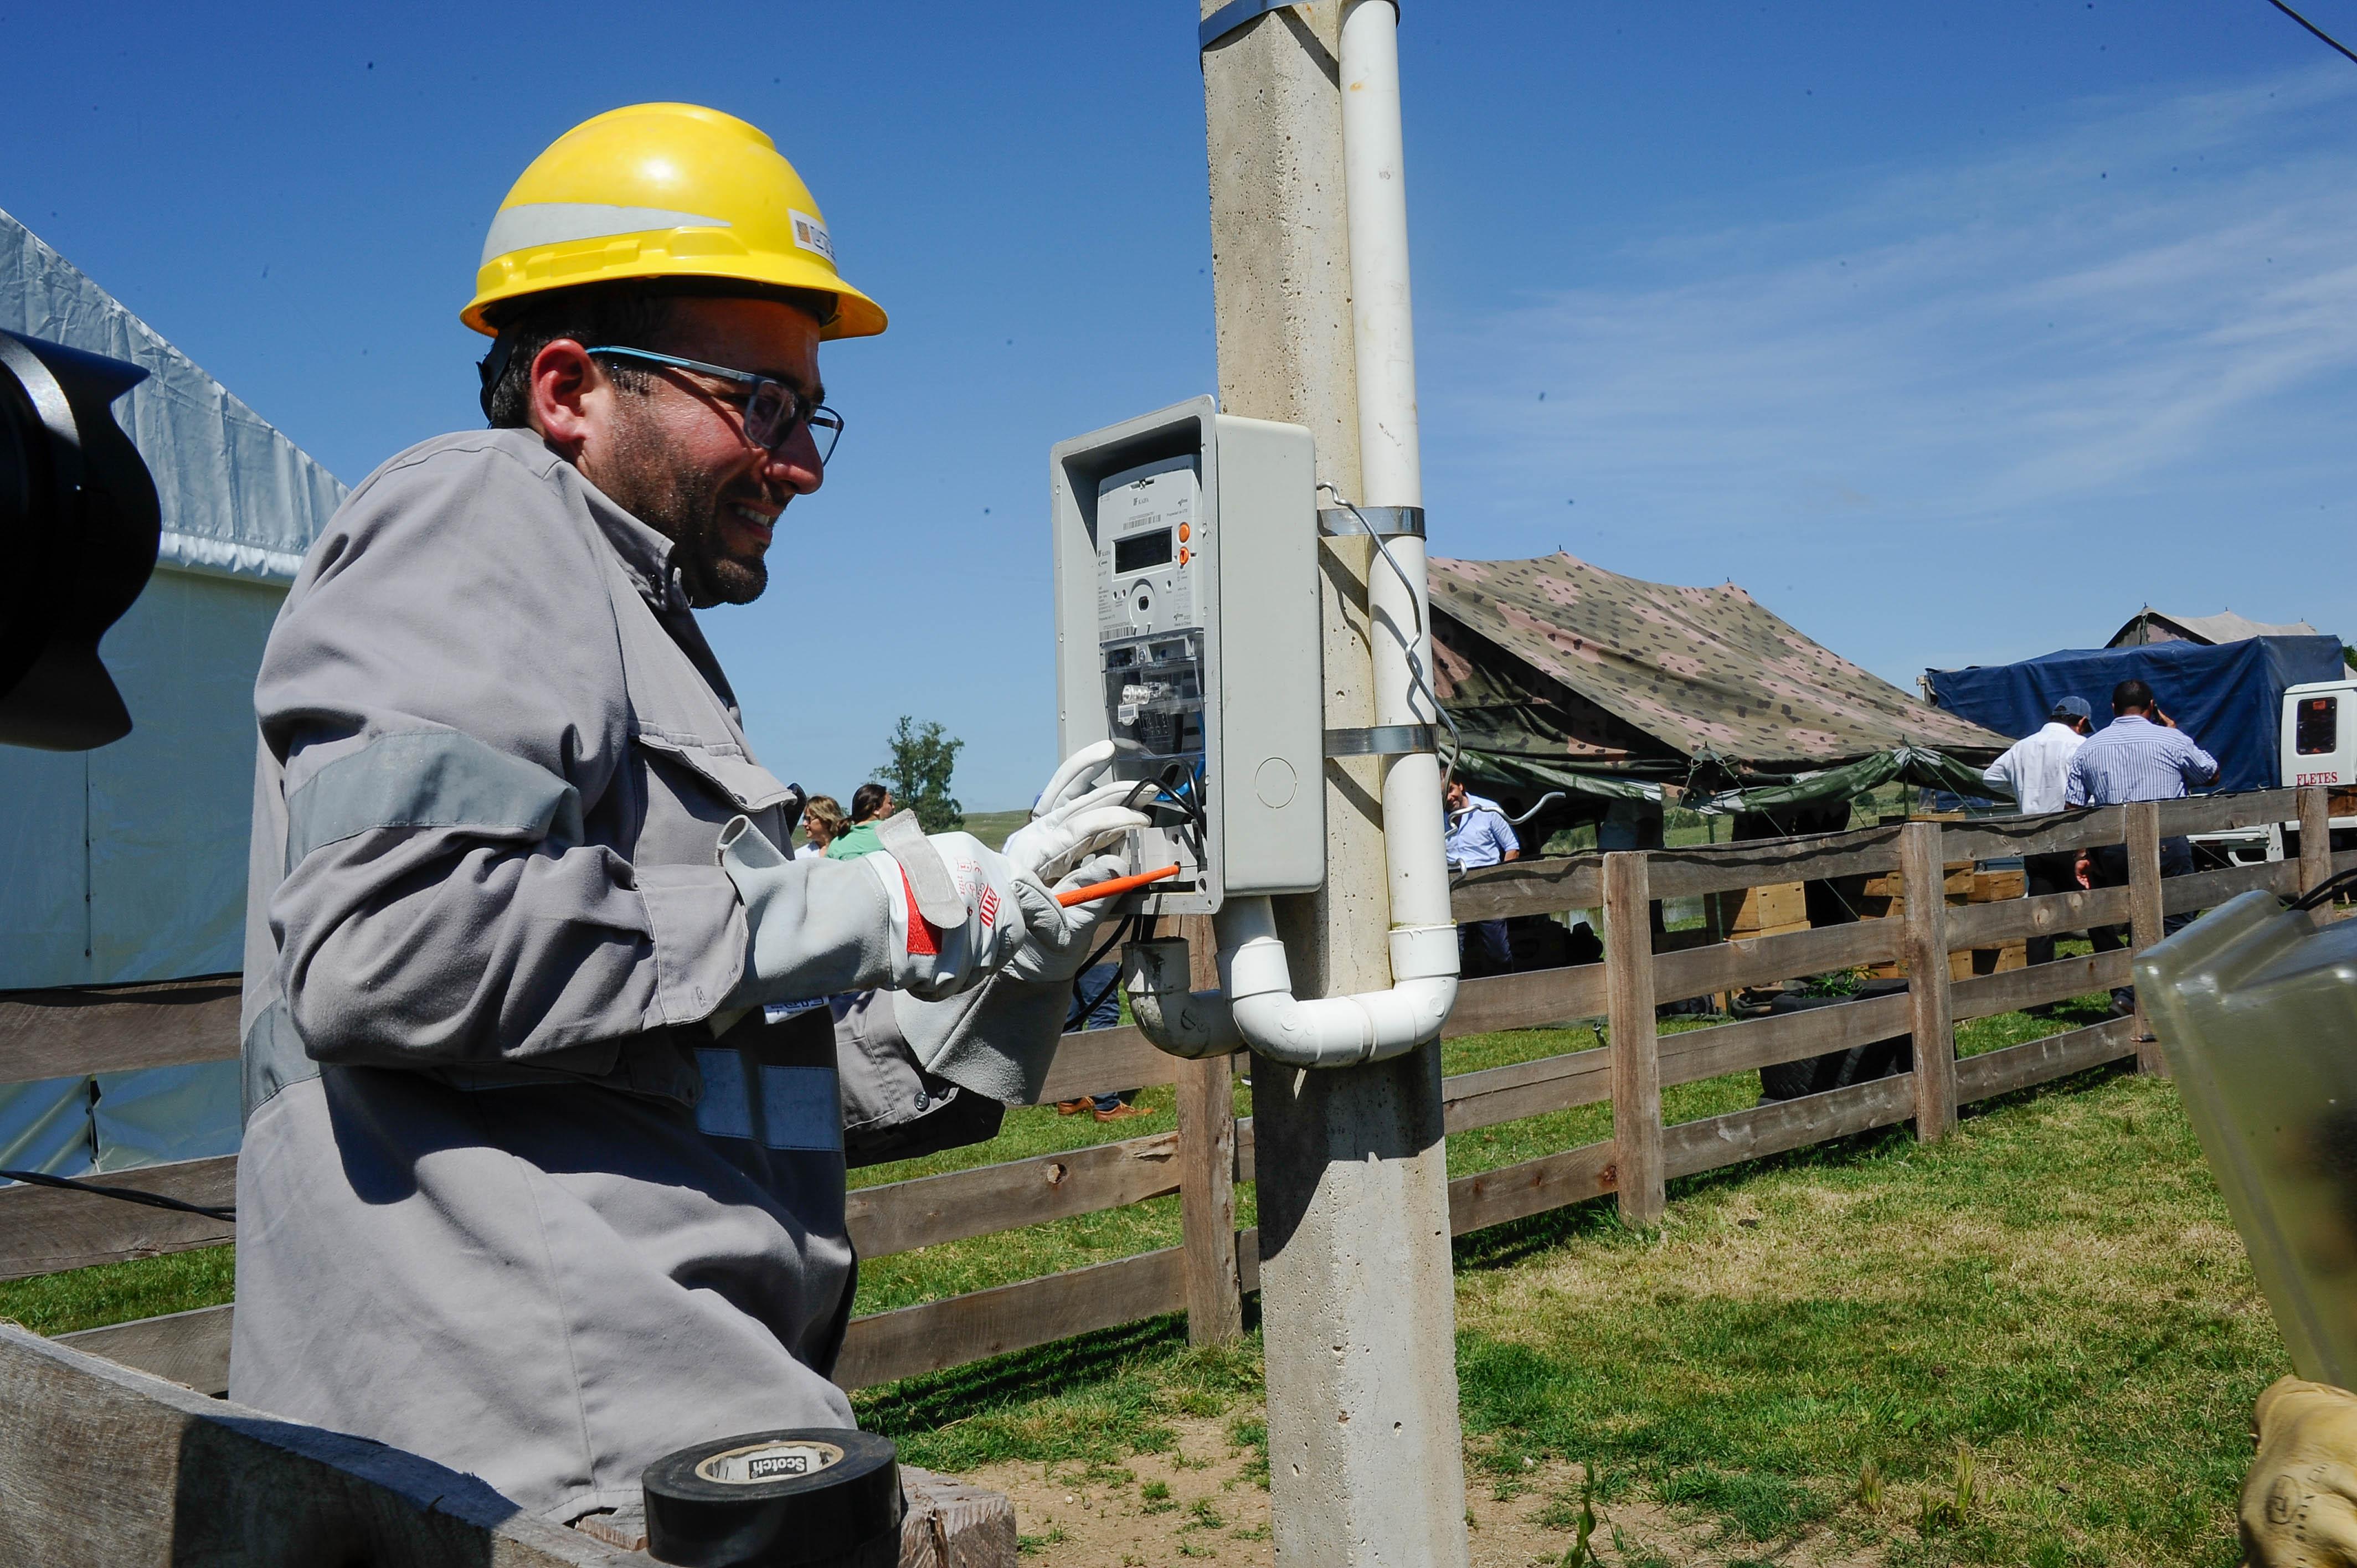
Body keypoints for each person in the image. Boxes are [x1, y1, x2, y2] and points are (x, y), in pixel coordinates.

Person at [229, 103, 1150, 1526]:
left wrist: (1018, 951)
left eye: (808, 410)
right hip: (546, 1460)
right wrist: (869, 902)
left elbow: (727, 1075)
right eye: (760, 403)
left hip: (657, 1440)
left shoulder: (632, 623)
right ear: (567, 387)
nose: (801, 463)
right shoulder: (481, 512)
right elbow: (389, 948)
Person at [2064, 677, 2219, 1013]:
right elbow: (2211, 774)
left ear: (2112, 709)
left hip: (2113, 847)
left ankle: (2128, 992)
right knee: (2178, 917)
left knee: (2126, 918)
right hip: (2167, 839)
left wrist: (2081, 855)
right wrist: (2172, 729)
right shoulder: (2171, 738)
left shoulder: (2088, 748)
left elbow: (2073, 810)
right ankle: (2158, 994)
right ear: (2152, 707)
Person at [1983, 696, 2094, 966]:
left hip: (2035, 842)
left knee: (2042, 915)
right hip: (2072, 839)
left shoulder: (2022, 747)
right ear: (2081, 722)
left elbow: (1991, 777)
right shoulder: (2081, 746)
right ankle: (2115, 981)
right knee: (2097, 910)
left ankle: (2040, 995)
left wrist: (2021, 791)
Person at [1444, 777, 1520, 977]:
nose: (1449, 797)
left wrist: (1501, 884)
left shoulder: (1487, 809)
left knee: (1498, 953)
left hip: (1488, 887)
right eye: (1443, 793)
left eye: (1451, 789)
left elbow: (1512, 848)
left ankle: (1507, 996)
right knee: (1453, 955)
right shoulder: (1435, 817)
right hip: (1454, 890)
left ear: (1461, 785)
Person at [825, 781, 894, 859]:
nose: (893, 807)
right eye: (890, 803)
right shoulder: (893, 835)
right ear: (876, 809)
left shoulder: (836, 844)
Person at [798, 792, 848, 857]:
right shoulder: (801, 855)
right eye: (804, 819)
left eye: (808, 819)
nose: (804, 824)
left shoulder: (847, 849)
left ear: (826, 820)